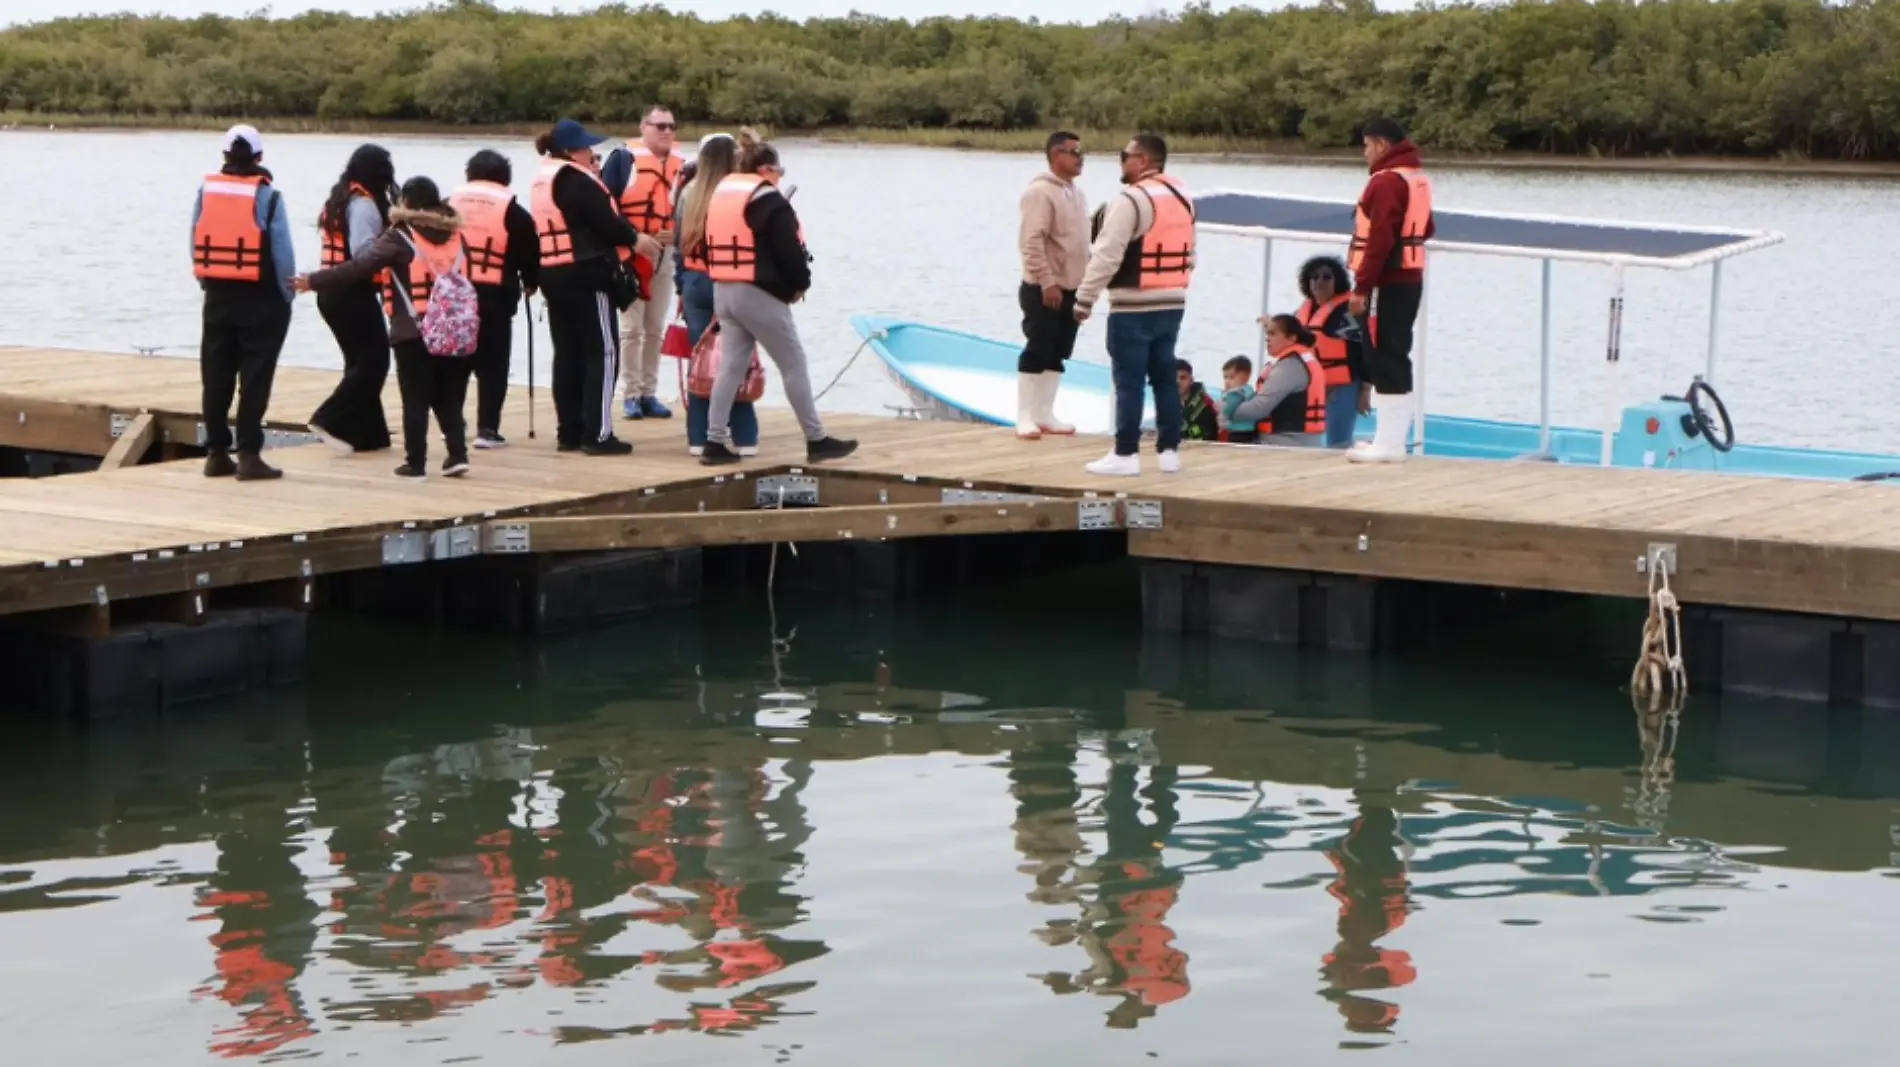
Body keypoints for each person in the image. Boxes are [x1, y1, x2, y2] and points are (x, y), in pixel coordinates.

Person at [698, 129, 857, 466]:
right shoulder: (770, 201)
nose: (780, 177)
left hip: (723, 289)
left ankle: (713, 441)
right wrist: (801, 285)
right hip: (758, 294)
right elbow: (789, 254)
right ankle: (817, 440)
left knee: (730, 366)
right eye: (779, 171)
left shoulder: (721, 195)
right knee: (793, 364)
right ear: (766, 170)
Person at [297, 177, 471, 481]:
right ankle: (457, 455)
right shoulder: (457, 236)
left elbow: (358, 266)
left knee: (415, 397)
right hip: (453, 329)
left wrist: (314, 281)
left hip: (413, 330)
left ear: (408, 204)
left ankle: (415, 463)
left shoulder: (400, 237)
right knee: (446, 396)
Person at [530, 119, 662, 456]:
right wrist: (637, 239)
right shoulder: (576, 180)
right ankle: (598, 434)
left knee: (567, 353)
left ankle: (569, 432)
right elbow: (605, 222)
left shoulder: (545, 177)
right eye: (588, 147)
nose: (592, 153)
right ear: (572, 151)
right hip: (587, 274)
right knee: (602, 352)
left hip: (552, 273)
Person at [1074, 132, 1194, 477]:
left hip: (1132, 306)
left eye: (1124, 155)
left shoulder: (1131, 200)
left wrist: (1085, 299)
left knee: (1129, 381)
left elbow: (1107, 255)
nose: (1121, 162)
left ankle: (1125, 453)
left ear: (1143, 160)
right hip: (1172, 302)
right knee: (1164, 378)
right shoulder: (1183, 197)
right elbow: (1191, 254)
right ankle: (1169, 451)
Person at [189, 124, 294, 481]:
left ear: (224, 156)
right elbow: (282, 253)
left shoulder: (207, 190)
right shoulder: (269, 196)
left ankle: (217, 453)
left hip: (217, 295)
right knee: (255, 377)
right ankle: (249, 454)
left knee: (216, 375)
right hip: (261, 298)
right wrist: (287, 294)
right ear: (259, 157)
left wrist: (206, 280)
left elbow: (194, 237)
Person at [1345, 117, 1435, 463]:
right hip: (1410, 277)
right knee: (1395, 353)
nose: (1365, 152)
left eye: (1366, 145)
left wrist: (1361, 287)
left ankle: (1390, 444)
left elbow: (1380, 240)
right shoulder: (1416, 178)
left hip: (1387, 281)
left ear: (1381, 145)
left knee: (1384, 356)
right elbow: (1427, 227)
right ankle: (1390, 439)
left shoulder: (1384, 183)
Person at [675, 132, 760, 456]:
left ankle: (699, 437)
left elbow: (681, 247)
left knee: (703, 360)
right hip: (732, 280)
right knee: (738, 359)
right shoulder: (740, 193)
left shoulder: (688, 193)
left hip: (696, 281)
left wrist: (683, 286)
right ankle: (744, 436)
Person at [308, 144, 396, 455]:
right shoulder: (363, 205)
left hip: (332, 292)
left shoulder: (339, 199)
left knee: (358, 363)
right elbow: (363, 253)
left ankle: (370, 436)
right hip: (350, 293)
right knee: (375, 361)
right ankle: (328, 418)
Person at [449, 149, 539, 449]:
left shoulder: (450, 204)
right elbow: (529, 250)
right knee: (493, 366)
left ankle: (453, 422)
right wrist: (531, 282)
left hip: (455, 293)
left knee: (457, 362)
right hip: (494, 296)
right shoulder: (512, 210)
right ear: (505, 177)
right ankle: (487, 430)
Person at [604, 105, 688, 421]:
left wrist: (677, 235)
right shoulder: (623, 160)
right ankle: (631, 394)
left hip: (666, 255)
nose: (667, 132)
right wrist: (632, 237)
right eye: (660, 126)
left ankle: (650, 393)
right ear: (644, 127)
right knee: (631, 329)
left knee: (655, 328)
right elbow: (605, 207)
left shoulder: (684, 165)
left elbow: (691, 206)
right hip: (632, 254)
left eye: (672, 126)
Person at [1015, 129, 1089, 440]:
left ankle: (1046, 412)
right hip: (1045, 287)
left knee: (1059, 351)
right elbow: (1031, 241)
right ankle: (1024, 415)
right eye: (1074, 152)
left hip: (1073, 286)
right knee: (1038, 347)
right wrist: (1047, 282)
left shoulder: (1077, 193)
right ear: (1057, 156)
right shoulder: (1040, 192)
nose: (1080, 159)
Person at [1294, 255, 1370, 448]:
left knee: (1338, 442)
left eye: (1327, 277)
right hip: (1311, 387)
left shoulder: (1346, 313)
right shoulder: (1303, 312)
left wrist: (1365, 390)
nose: (1320, 281)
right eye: (1315, 277)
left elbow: (1367, 350)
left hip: (1342, 387)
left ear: (1338, 281)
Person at [1227, 315, 1326, 447]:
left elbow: (1259, 408)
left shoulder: (1289, 367)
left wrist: (1227, 410)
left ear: (1291, 338)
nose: (1267, 338)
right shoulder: (1300, 359)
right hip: (1300, 440)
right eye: (1267, 333)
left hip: (1285, 442)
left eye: (1272, 334)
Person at [1174, 359, 1219, 442]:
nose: (1178, 382)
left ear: (1191, 380)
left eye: (1183, 378)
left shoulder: (1204, 404)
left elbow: (1211, 436)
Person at [1217, 356, 1258, 444]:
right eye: (1225, 378)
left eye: (1231, 377)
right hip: (1251, 429)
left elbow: (1230, 406)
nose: (1227, 381)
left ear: (1246, 376)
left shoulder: (1236, 393)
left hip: (1238, 430)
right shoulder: (1249, 390)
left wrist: (1222, 416)